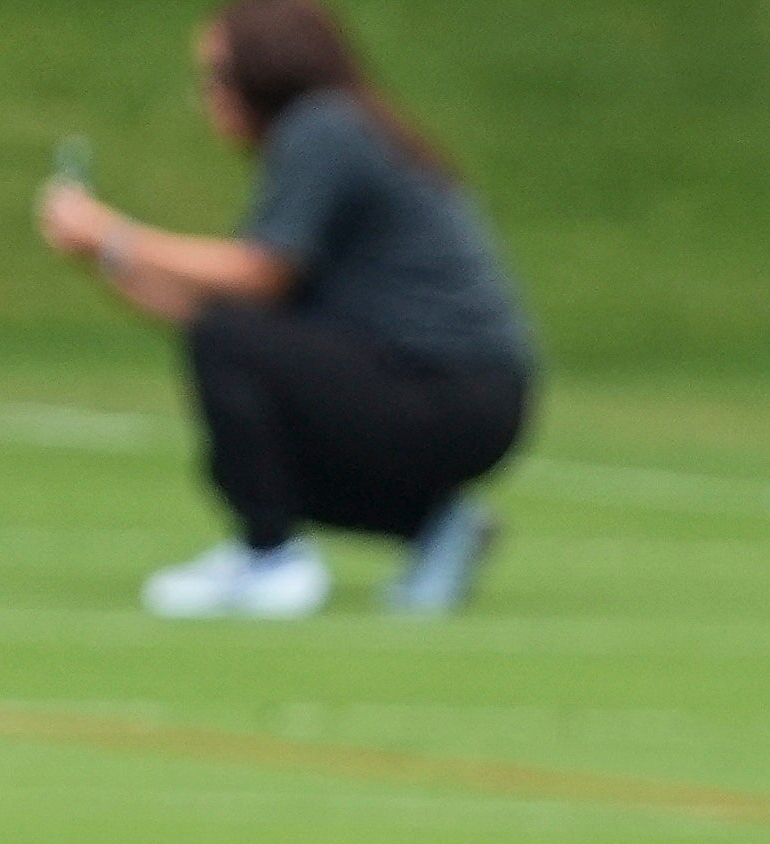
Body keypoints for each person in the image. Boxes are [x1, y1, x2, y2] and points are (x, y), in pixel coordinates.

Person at [36, 1, 534, 619]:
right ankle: (435, 525)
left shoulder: (324, 128)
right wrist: (102, 257)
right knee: (239, 444)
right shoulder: (329, 131)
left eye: (217, 76)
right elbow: (209, 311)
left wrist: (114, 235)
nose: (207, 96)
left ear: (266, 70)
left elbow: (255, 277)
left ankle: (271, 561)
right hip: (459, 393)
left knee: (233, 359)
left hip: (448, 387)